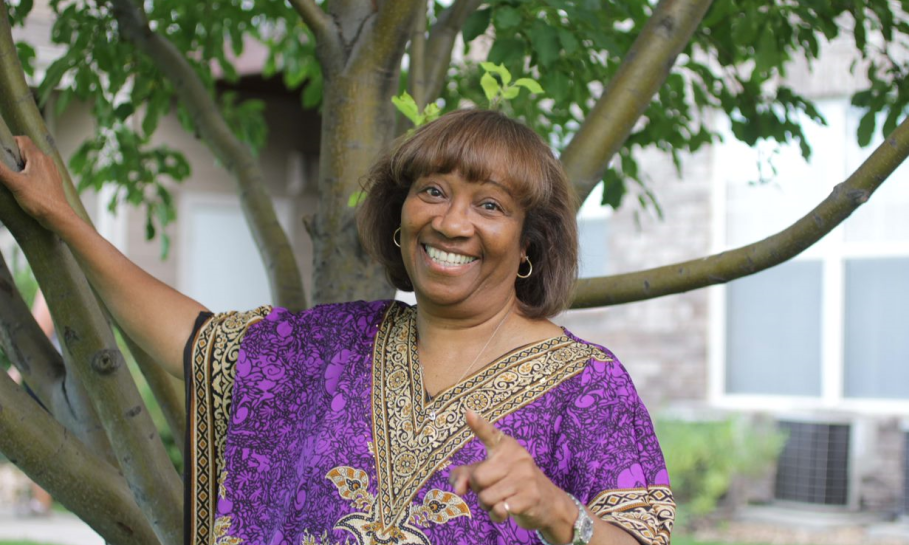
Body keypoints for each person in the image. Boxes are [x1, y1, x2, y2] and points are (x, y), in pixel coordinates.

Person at [0, 109, 675, 545]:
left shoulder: (587, 385)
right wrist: (65, 219)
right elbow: (191, 337)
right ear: (401, 212)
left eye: (489, 204)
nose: (450, 221)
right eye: (433, 190)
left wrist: (560, 512)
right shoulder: (332, 345)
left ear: (528, 242)